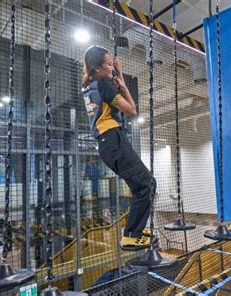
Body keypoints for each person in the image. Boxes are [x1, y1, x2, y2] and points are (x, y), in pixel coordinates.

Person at [82, 45, 154, 249]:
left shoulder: (88, 85)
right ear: (97, 68)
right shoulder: (103, 85)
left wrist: (117, 72)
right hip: (113, 139)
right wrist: (122, 84)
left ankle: (134, 231)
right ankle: (131, 235)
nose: (111, 68)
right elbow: (131, 110)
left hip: (106, 144)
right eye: (108, 65)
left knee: (143, 185)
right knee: (147, 185)